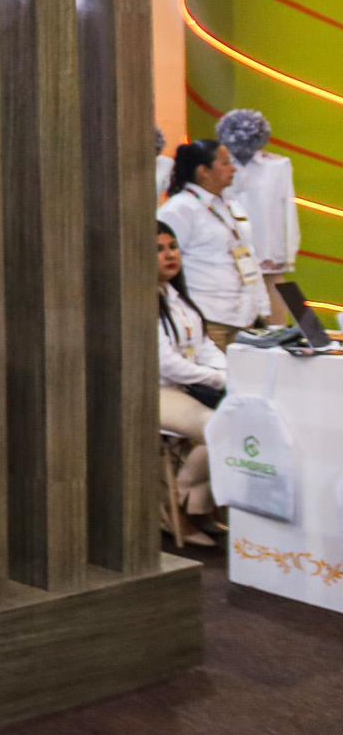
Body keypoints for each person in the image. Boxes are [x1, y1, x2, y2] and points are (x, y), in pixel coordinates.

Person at [157, 139, 267, 350]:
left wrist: (262, 306)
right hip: (208, 316)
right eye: (225, 163)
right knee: (213, 371)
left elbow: (249, 256)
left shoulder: (232, 205)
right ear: (204, 171)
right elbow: (164, 265)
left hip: (245, 318)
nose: (233, 169)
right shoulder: (180, 209)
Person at [156, 220, 224, 547]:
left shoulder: (178, 297)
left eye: (173, 247)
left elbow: (205, 346)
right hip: (159, 392)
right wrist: (216, 378)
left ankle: (194, 506)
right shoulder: (142, 301)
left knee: (243, 421)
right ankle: (176, 506)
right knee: (220, 427)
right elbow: (167, 364)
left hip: (189, 388)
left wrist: (226, 372)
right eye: (158, 250)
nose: (170, 255)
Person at [218, 109, 301, 324]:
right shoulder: (219, 167)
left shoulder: (278, 165)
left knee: (275, 295)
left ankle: (281, 335)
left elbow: (288, 209)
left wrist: (287, 252)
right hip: (230, 245)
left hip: (268, 247)